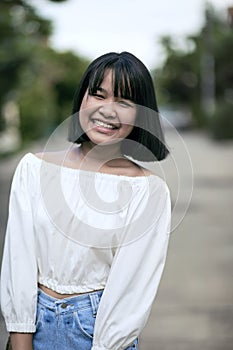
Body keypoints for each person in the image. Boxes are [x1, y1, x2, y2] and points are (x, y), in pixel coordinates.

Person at [0, 51, 171, 350]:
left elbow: (131, 291)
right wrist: (21, 338)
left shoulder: (148, 192)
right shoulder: (34, 170)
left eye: (124, 102)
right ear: (82, 99)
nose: (108, 110)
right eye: (98, 95)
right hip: (34, 327)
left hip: (98, 334)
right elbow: (19, 261)